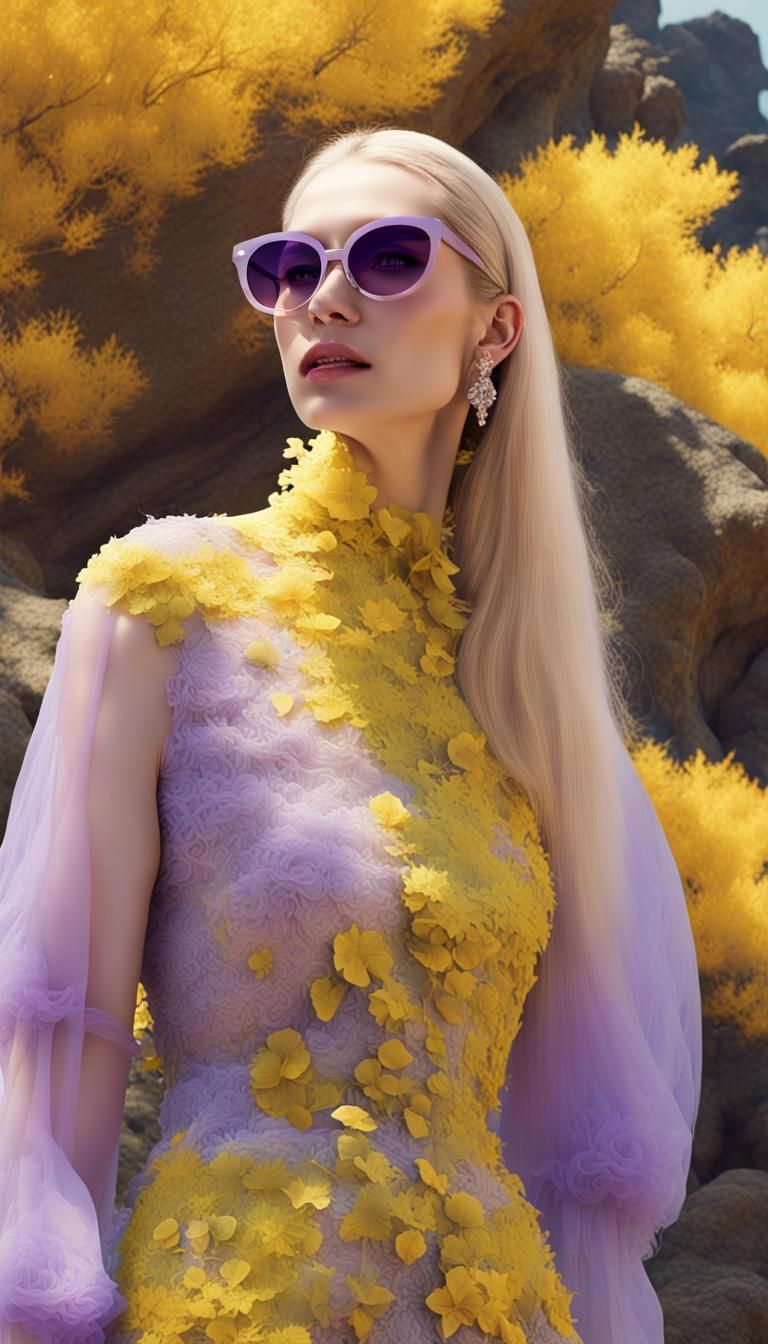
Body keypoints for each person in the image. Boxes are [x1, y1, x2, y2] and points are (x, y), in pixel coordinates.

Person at [0, 125, 702, 1344]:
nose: (321, 297)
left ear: (496, 328)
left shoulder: (525, 693)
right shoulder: (171, 601)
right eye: (284, 267)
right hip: (239, 1307)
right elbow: (62, 1034)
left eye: (386, 257)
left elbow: (574, 1170)